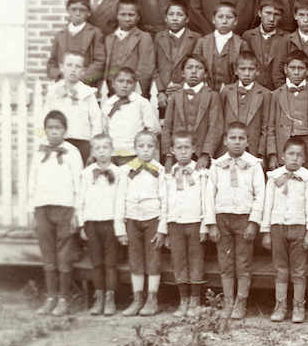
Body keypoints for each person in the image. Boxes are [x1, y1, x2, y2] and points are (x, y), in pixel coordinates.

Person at [206, 122, 265, 320]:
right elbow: (209, 195)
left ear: (248, 141)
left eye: (241, 138)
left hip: (244, 219)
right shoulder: (216, 165)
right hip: (222, 219)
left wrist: (253, 221)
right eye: (233, 138)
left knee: (243, 262)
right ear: (225, 140)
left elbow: (260, 195)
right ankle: (228, 301)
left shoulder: (255, 165)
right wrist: (212, 223)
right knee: (225, 262)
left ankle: (241, 301)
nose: (237, 142)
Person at [30, 110, 84, 316]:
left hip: (65, 207)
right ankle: (51, 297)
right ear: (45, 130)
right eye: (50, 128)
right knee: (48, 254)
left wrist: (77, 212)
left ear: (65, 130)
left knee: (64, 254)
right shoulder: (39, 152)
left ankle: (64, 299)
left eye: (58, 128)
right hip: (42, 207)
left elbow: (79, 184)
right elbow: (32, 181)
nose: (54, 132)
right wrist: (31, 210)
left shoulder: (72, 152)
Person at [259, 137, 308, 324]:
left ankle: (299, 306)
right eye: (291, 154)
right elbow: (267, 205)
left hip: (299, 228)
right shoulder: (274, 177)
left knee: (299, 270)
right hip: (277, 228)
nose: (294, 159)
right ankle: (281, 305)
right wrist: (266, 231)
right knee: (280, 268)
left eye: (299, 155)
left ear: (305, 159)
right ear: (282, 156)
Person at [157, 131, 210, 318]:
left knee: (196, 261)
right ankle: (183, 300)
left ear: (194, 149)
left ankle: (195, 301)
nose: (183, 152)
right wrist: (164, 230)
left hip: (195, 223)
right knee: (179, 261)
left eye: (187, 147)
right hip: (175, 224)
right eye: (179, 148)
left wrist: (205, 225)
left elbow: (206, 199)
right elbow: (165, 203)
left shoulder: (202, 173)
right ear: (172, 150)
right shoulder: (168, 175)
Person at [116, 130, 165, 317]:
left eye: (150, 146)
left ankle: (152, 300)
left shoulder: (160, 171)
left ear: (156, 149)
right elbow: (120, 199)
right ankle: (137, 299)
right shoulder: (126, 170)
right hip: (132, 219)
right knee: (135, 260)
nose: (145, 150)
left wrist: (162, 228)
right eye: (141, 146)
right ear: (135, 148)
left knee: (153, 260)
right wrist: (120, 228)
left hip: (153, 218)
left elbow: (165, 200)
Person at [79, 133, 124, 316]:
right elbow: (81, 200)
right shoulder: (86, 173)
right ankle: (99, 299)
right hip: (92, 223)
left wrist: (119, 228)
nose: (102, 151)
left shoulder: (120, 173)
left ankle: (110, 300)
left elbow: (120, 202)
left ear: (112, 150)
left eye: (105, 147)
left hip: (111, 223)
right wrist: (82, 224)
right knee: (97, 263)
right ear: (92, 152)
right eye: (98, 148)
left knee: (110, 263)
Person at [161, 55, 223, 171]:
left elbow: (215, 127)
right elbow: (167, 127)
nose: (194, 72)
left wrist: (206, 154)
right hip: (178, 155)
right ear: (183, 73)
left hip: (200, 157)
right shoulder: (175, 96)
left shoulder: (212, 96)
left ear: (205, 74)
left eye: (199, 68)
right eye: (189, 68)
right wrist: (168, 155)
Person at [43, 50, 103, 165]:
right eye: (69, 65)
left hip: (83, 143)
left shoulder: (88, 93)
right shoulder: (53, 92)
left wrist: (95, 147)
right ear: (61, 67)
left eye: (78, 66)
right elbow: (44, 118)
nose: (73, 69)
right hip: (59, 141)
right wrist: (45, 140)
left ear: (83, 71)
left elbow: (96, 122)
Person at [267, 51, 308, 174]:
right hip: (285, 143)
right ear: (285, 69)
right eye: (292, 68)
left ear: (307, 70)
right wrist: (272, 154)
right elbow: (271, 125)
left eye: (301, 68)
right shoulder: (276, 94)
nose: (296, 72)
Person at [47, 0, 106, 88]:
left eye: (82, 10)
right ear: (68, 9)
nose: (78, 14)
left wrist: (81, 79)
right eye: (74, 9)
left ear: (89, 12)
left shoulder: (95, 33)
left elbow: (100, 62)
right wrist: (62, 75)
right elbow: (52, 64)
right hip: (63, 85)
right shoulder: (60, 34)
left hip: (86, 85)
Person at [102, 67, 159, 165]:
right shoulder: (107, 105)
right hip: (113, 154)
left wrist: (141, 148)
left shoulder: (141, 103)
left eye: (129, 82)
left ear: (134, 85)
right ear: (113, 83)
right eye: (120, 81)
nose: (124, 85)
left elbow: (153, 129)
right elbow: (104, 130)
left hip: (134, 154)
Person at [220, 51, 271, 162]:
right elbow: (220, 120)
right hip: (228, 149)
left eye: (251, 69)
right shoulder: (227, 91)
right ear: (235, 70)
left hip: (253, 149)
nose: (247, 73)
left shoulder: (265, 94)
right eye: (242, 69)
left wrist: (261, 153)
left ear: (257, 71)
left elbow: (265, 126)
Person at [154, 0, 199, 113]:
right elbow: (153, 67)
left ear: (187, 19)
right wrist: (161, 91)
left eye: (180, 15)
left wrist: (184, 85)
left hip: (186, 89)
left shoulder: (196, 38)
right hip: (163, 92)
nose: (175, 18)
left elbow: (198, 67)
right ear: (165, 18)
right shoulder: (159, 37)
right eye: (171, 14)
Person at [104, 0, 156, 97]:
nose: (127, 19)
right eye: (123, 15)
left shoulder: (144, 37)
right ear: (117, 16)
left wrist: (133, 90)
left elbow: (146, 68)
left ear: (138, 17)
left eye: (131, 15)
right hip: (110, 91)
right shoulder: (109, 38)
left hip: (133, 92)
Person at [242, 0, 289, 91]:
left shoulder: (287, 38)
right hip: (252, 90)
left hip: (277, 90)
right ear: (259, 13)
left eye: (277, 14)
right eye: (267, 13)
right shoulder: (248, 36)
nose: (271, 19)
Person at [195, 2, 242, 91]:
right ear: (213, 20)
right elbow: (195, 66)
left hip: (231, 92)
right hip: (205, 90)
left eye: (229, 17)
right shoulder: (203, 42)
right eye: (220, 17)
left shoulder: (241, 44)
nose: (224, 21)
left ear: (235, 21)